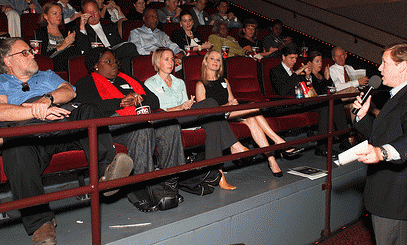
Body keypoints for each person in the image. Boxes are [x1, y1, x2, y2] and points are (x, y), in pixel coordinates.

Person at [0, 38, 133, 245]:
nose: (32, 55)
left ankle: (106, 175)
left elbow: (70, 92)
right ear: (8, 61)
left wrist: (48, 99)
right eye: (25, 53)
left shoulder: (46, 75)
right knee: (14, 148)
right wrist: (36, 110)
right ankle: (40, 222)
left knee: (88, 110)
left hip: (63, 127)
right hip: (30, 136)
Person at [74, 47, 186, 212]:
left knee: (170, 125)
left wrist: (140, 98)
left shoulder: (127, 79)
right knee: (141, 129)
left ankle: (169, 184)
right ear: (96, 66)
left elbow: (154, 101)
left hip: (139, 119)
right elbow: (88, 108)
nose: (114, 65)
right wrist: (120, 102)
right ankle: (142, 189)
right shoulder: (85, 82)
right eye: (108, 62)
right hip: (110, 125)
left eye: (115, 61)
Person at [352, 42, 407, 245]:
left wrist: (382, 153)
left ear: (402, 66)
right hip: (384, 197)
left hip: (397, 201)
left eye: (385, 63)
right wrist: (363, 115)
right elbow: (379, 138)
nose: (379, 68)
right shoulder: (395, 97)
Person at [145, 47, 251, 190]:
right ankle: (234, 145)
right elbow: (154, 112)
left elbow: (186, 106)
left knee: (212, 120)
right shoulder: (149, 84)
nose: (171, 62)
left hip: (185, 117)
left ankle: (219, 175)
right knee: (211, 104)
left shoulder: (179, 82)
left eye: (172, 59)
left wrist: (188, 105)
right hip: (168, 120)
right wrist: (179, 108)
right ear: (158, 62)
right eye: (166, 59)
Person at [197, 50, 302, 177]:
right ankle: (279, 142)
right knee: (254, 108)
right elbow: (204, 111)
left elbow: (232, 100)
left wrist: (232, 104)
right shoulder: (200, 84)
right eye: (212, 59)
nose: (215, 62)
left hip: (231, 113)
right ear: (206, 62)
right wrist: (227, 106)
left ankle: (271, 159)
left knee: (252, 119)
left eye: (218, 60)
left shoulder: (224, 81)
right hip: (217, 117)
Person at [75, 0, 139, 75]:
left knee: (127, 58)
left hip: (114, 54)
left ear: (99, 11)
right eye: (89, 13)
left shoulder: (109, 26)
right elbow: (84, 51)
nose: (93, 15)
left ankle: (130, 80)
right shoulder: (81, 30)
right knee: (129, 49)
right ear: (83, 15)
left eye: (95, 12)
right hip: (99, 57)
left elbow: (119, 43)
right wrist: (82, 26)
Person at [33, 2, 82, 72]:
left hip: (67, 64)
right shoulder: (40, 33)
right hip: (51, 65)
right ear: (45, 16)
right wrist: (62, 46)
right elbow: (41, 58)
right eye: (55, 13)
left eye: (60, 14)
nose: (59, 16)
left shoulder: (66, 32)